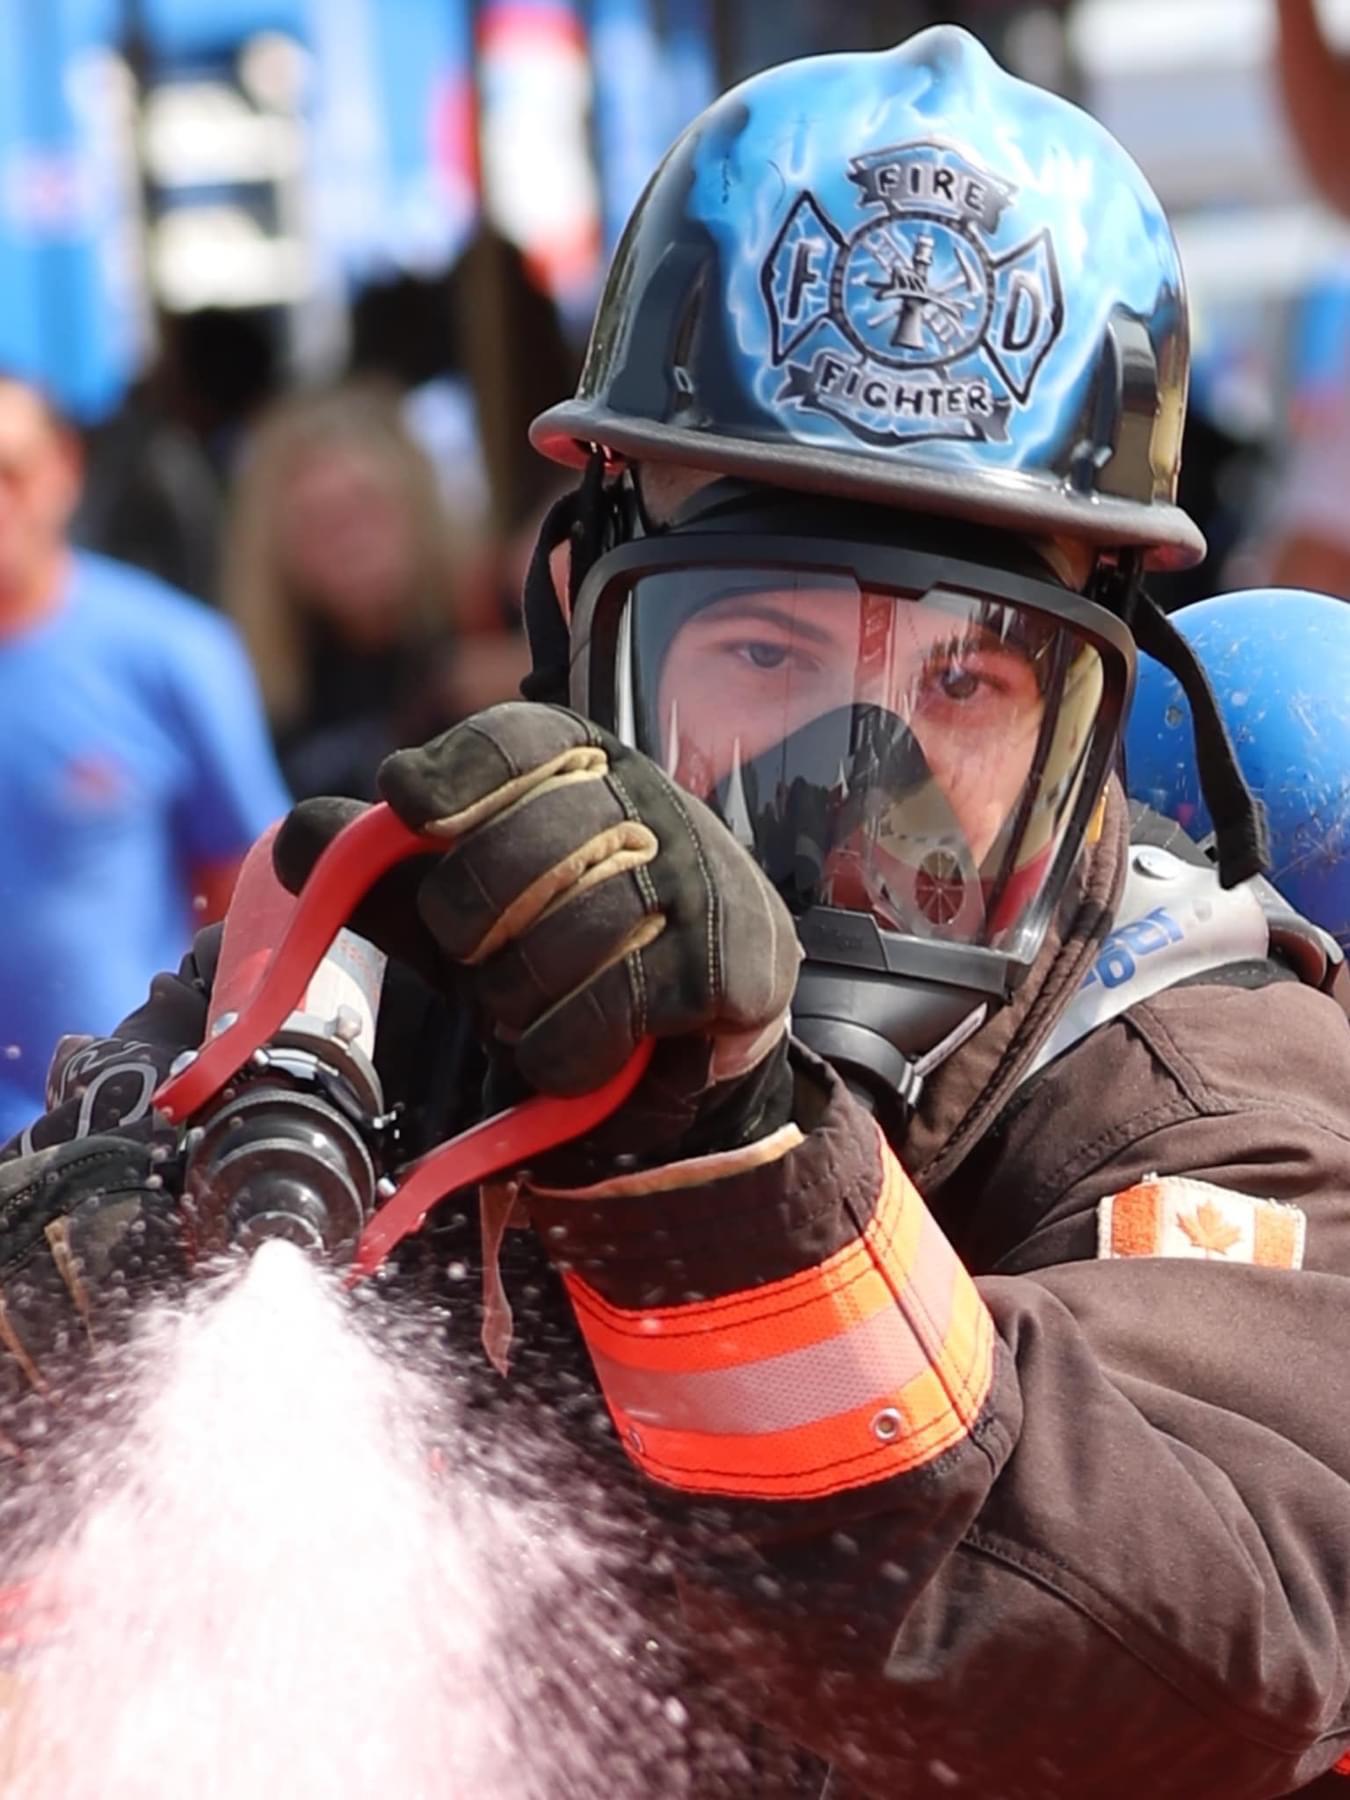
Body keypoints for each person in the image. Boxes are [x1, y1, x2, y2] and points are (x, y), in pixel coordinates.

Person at [6, 27, 1350, 1796]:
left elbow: (1196, 1660)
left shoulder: (1203, 1079)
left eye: (960, 682)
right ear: (590, 615)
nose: (851, 789)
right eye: (766, 658)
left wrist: (716, 1153)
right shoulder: (398, 976)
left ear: (1098, 707)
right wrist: (79, 1312)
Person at [0, 373, 290, 1144]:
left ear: (64, 469)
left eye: (11, 473)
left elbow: (257, 901)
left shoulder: (173, 654)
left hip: (111, 1143)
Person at [221, 380, 528, 801]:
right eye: (319, 520)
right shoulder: (261, 697)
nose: (351, 541)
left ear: (416, 505)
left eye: (366, 505)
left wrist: (539, 685)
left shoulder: (505, 617)